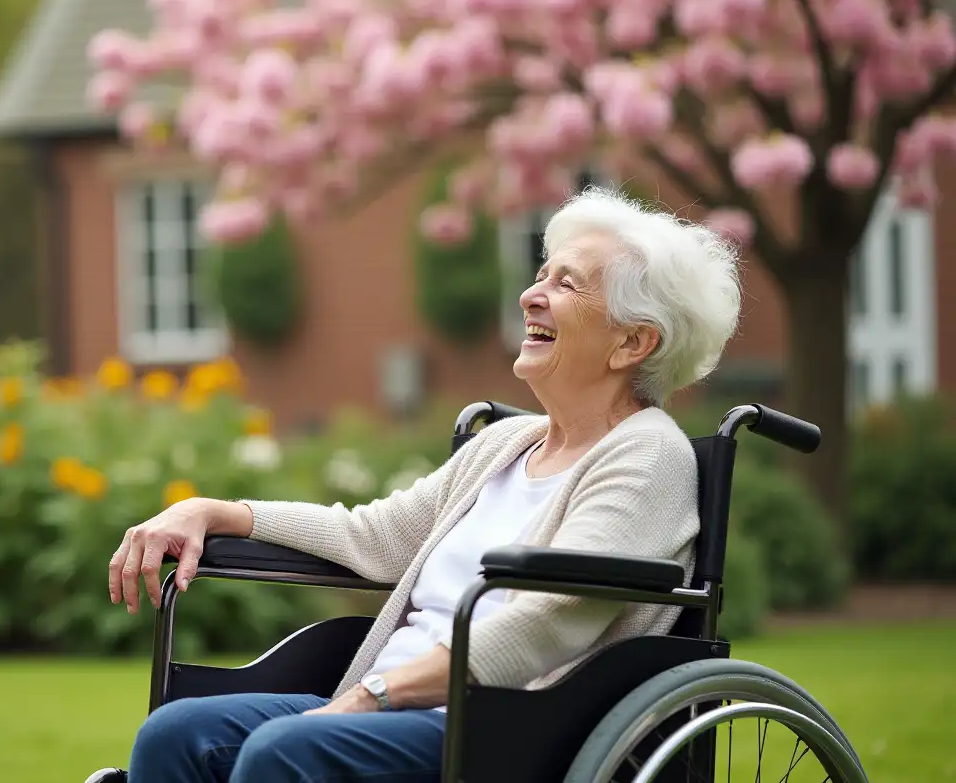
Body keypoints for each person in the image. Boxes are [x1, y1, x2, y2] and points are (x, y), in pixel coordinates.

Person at [103, 186, 742, 783]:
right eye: (541, 274)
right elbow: (377, 537)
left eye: (566, 285)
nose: (530, 295)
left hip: (507, 735)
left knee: (283, 752)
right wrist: (219, 512)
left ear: (632, 342)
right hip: (393, 712)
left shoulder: (647, 457)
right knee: (177, 734)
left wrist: (372, 696)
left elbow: (550, 621)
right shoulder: (504, 442)